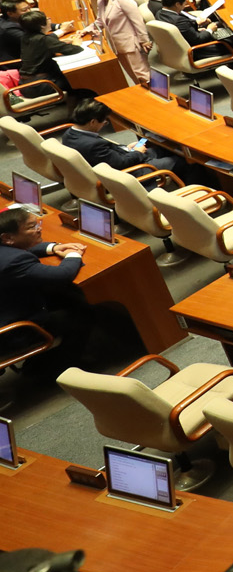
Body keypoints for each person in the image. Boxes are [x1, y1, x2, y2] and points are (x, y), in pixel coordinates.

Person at [0, 207, 136, 376]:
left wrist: (53, 248)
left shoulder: (8, 251)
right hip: (14, 333)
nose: (39, 229)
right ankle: (54, 371)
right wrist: (73, 255)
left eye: (37, 224)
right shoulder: (14, 262)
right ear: (8, 237)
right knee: (82, 314)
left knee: (65, 295)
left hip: (12, 309)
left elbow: (17, 252)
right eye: (31, 227)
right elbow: (62, 275)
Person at [62, 98, 190, 177]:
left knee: (160, 147)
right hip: (133, 171)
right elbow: (121, 164)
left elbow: (108, 156)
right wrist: (137, 153)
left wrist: (126, 148)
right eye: (104, 122)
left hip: (125, 154)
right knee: (185, 161)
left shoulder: (69, 134)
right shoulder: (92, 145)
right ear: (93, 122)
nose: (104, 124)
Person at [77, 0, 149, 85]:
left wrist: (144, 40)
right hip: (117, 45)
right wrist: (87, 29)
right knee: (133, 76)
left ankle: (158, 97)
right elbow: (100, 21)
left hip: (131, 43)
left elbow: (138, 21)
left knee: (143, 75)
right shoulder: (101, 1)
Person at [18, 10, 85, 92]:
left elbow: (43, 45)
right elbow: (74, 50)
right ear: (42, 26)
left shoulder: (25, 37)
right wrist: (76, 43)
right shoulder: (44, 40)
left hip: (26, 84)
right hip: (41, 85)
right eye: (46, 18)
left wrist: (63, 42)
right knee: (80, 80)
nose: (49, 18)